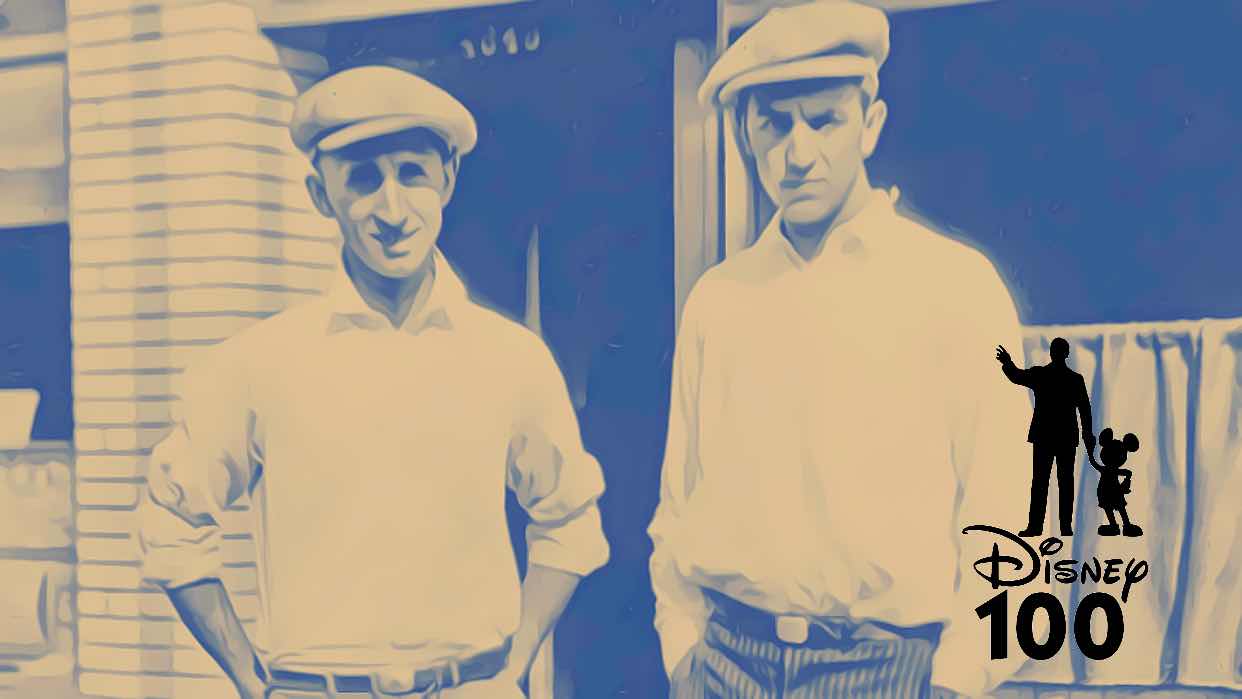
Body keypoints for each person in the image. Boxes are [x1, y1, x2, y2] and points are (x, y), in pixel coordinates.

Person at [138, 65, 609, 699]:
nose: (392, 210)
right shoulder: (260, 364)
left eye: (412, 173)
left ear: (448, 179)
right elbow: (171, 522)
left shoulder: (511, 358)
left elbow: (570, 517)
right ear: (320, 195)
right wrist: (249, 677)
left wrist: (516, 661)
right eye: (363, 179)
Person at [648, 2, 1034, 697]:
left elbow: (1012, 514)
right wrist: (683, 653)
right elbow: (679, 503)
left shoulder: (954, 287)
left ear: (870, 124)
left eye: (823, 121)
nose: (798, 155)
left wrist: (958, 681)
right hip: (728, 664)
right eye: (775, 124)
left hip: (886, 669)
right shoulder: (719, 300)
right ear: (744, 133)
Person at [995, 337, 1095, 537]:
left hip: (1045, 436)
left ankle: (1037, 526)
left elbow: (1017, 376)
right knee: (1064, 483)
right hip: (1064, 437)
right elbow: (1085, 410)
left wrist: (1007, 363)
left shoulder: (1041, 374)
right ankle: (1064, 526)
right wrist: (1087, 434)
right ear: (1067, 354)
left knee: (1041, 482)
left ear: (1052, 353)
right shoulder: (1074, 379)